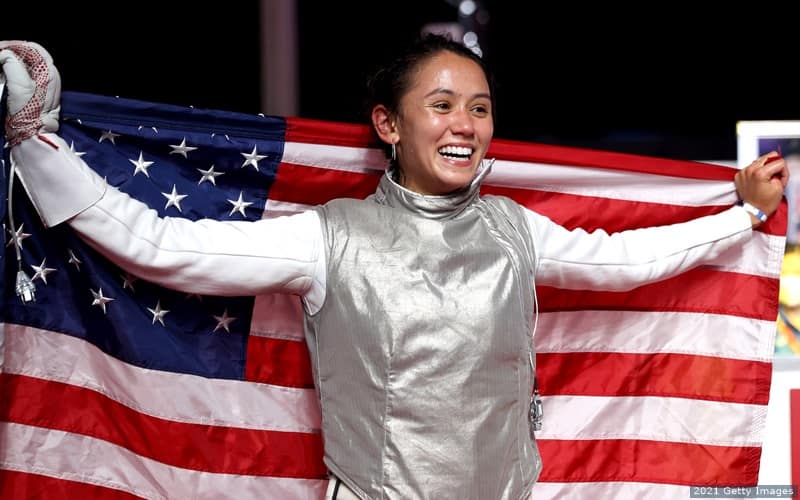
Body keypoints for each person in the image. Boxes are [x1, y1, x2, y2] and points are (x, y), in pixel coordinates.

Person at [0, 36, 788, 500]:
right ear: (388, 123)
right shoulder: (327, 237)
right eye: (442, 105)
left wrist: (744, 214)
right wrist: (35, 142)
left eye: (479, 108)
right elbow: (161, 245)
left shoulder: (515, 228)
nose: (466, 125)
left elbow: (627, 262)